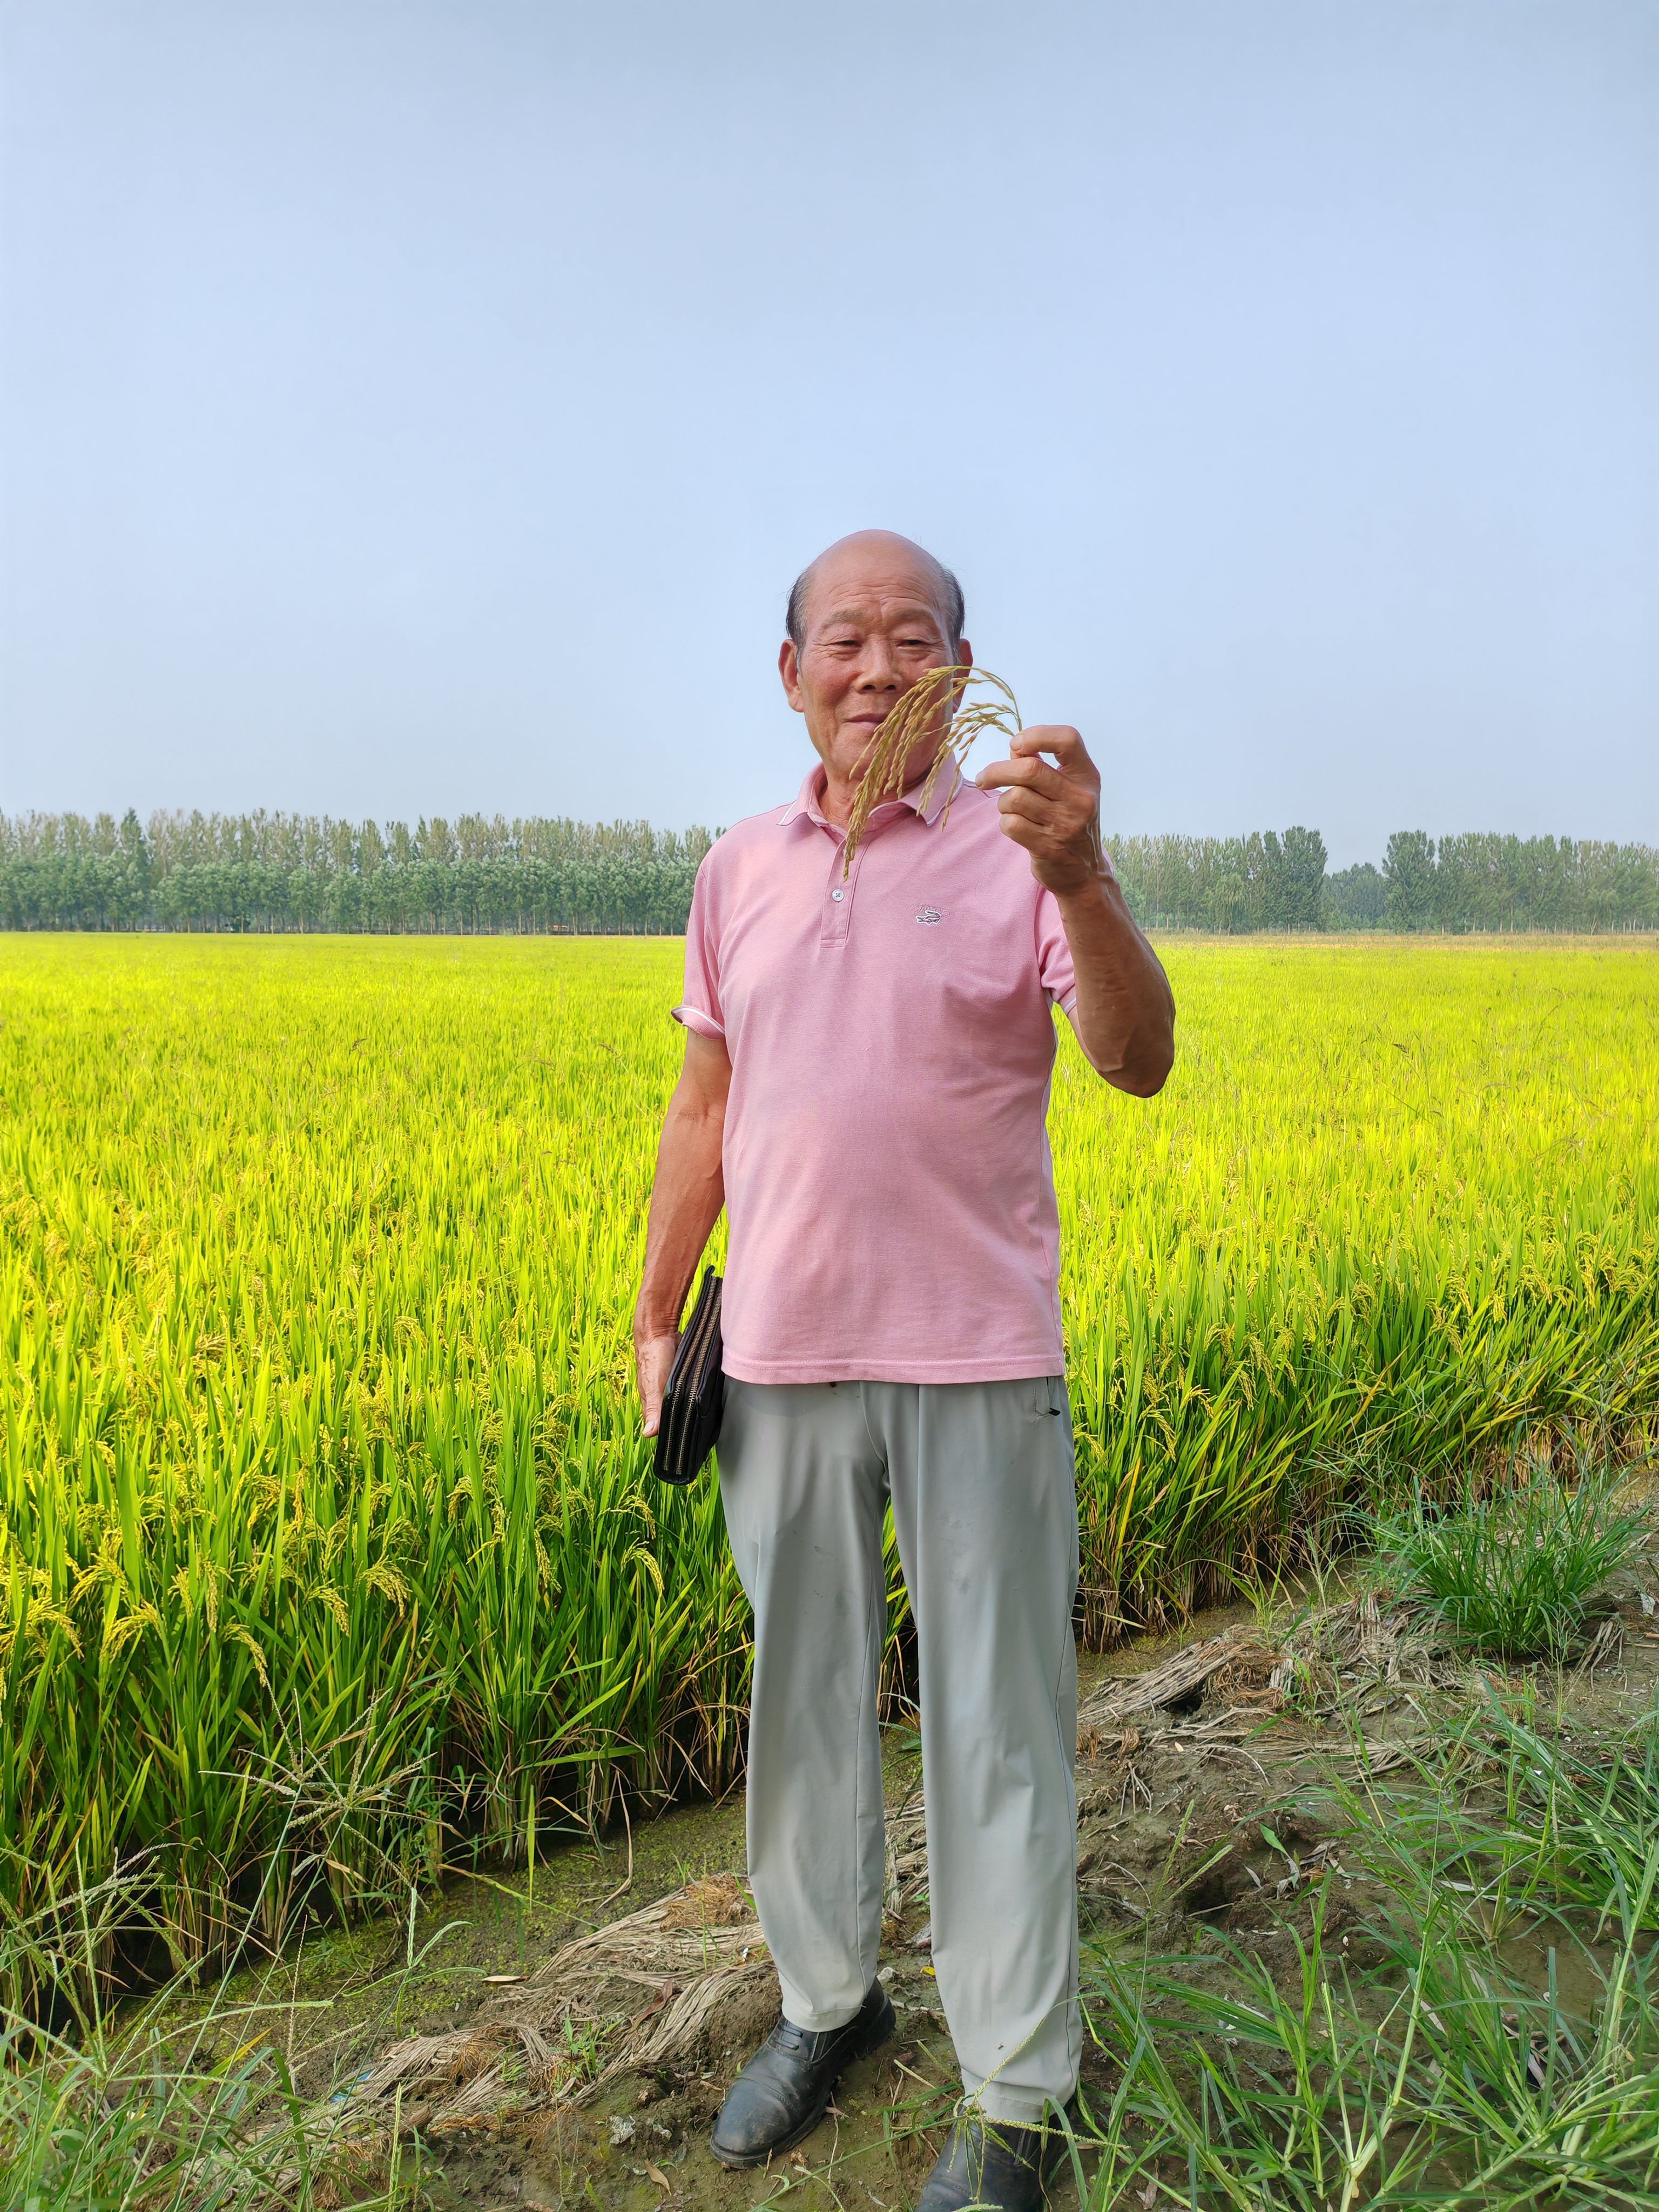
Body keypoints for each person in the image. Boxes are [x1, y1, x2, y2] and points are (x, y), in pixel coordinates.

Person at [635, 529, 1175, 2211]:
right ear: (791, 671)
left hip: (977, 1361)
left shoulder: (1027, 850)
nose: (878, 667)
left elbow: (1140, 1062)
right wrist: (659, 1316)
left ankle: (1020, 2093)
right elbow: (707, 1108)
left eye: (914, 639)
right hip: (780, 1360)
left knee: (998, 1727)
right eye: (845, 640)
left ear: (957, 669)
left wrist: (1088, 878)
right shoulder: (739, 870)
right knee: (800, 1717)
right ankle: (830, 2006)